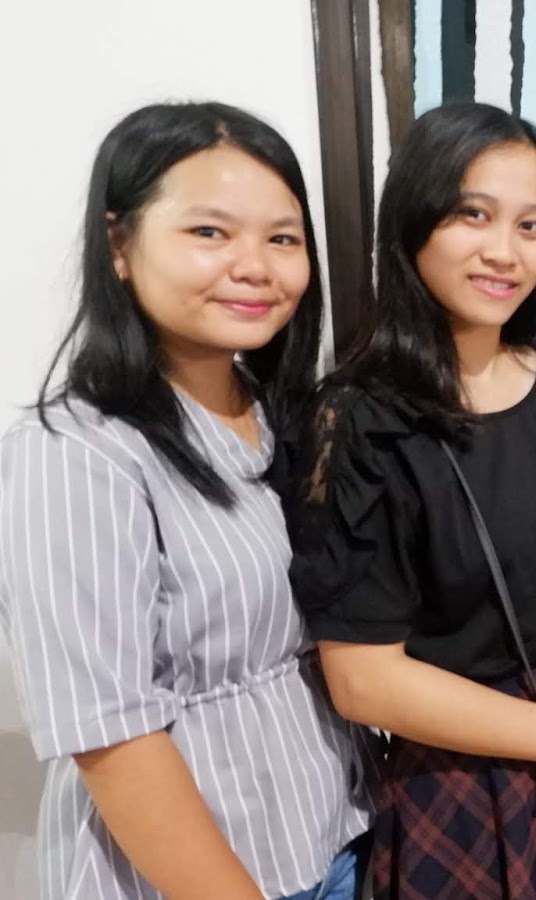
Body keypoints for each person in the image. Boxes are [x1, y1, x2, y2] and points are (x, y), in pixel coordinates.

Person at [284, 103, 536, 899]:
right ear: (414, 221)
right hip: (470, 777)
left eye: (532, 227)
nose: (505, 251)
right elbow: (363, 681)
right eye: (473, 215)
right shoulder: (359, 419)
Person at [0, 102, 374, 900]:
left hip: (331, 843)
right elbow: (113, 738)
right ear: (119, 246)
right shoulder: (76, 454)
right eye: (210, 232)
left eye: (283, 238)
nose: (255, 266)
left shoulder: (282, 419)